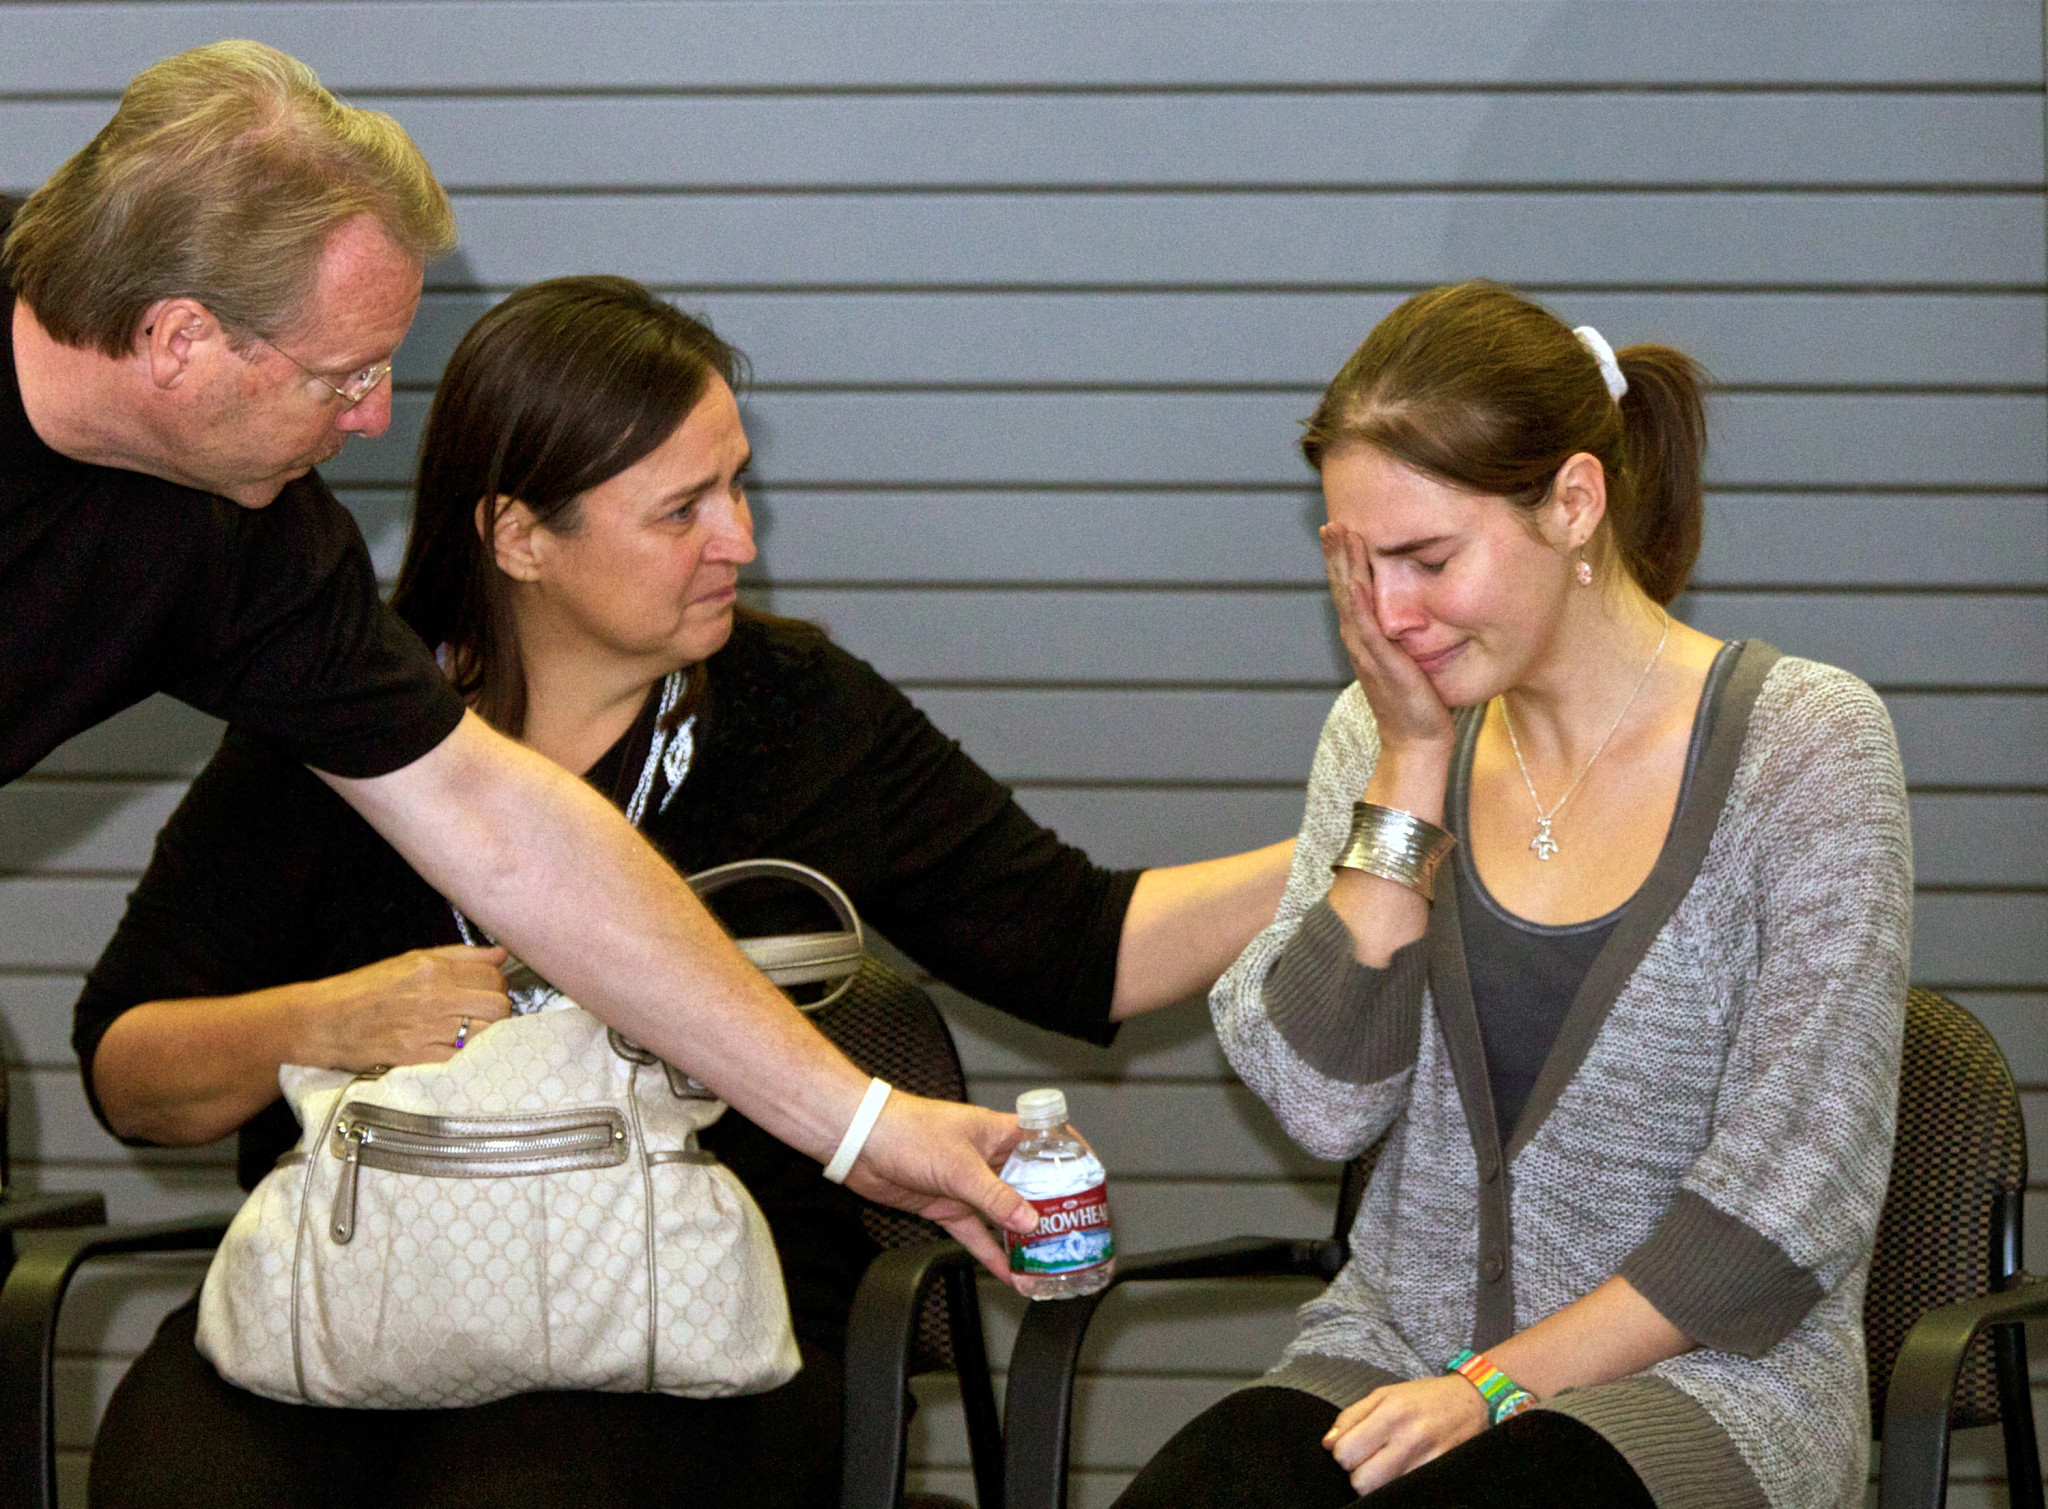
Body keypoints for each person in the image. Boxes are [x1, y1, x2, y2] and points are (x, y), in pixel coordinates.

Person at [71, 274, 1294, 1509]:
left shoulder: (799, 713)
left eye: (736, 482)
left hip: (699, 1328)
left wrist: (1369, 840)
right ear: (518, 537)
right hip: (345, 1314)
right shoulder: (335, 713)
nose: (741, 541)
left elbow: (1088, 945)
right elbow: (127, 1074)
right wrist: (320, 1022)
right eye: (680, 511)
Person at [1, 39, 1039, 1261]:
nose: (378, 417)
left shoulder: (248, 537)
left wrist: (860, 1128)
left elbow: (500, 820)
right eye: (346, 375)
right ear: (181, 342)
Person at [1111, 282, 1910, 1509]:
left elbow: (1785, 1215)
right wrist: (1412, 772)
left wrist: (1491, 1387)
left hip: (1705, 1387)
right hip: (1391, 1354)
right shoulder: (1377, 739)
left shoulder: (1803, 747)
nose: (1387, 615)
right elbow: (1324, 1107)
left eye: (1427, 559)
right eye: (1359, 567)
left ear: (1572, 504)